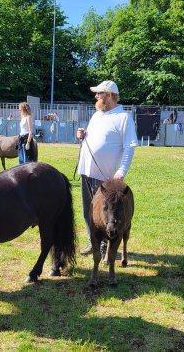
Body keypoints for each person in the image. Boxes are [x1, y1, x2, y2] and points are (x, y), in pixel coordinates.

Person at [76, 80, 138, 256]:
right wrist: (82, 135)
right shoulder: (97, 115)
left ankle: (105, 247)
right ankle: (93, 242)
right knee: (88, 211)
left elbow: (129, 146)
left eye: (99, 93)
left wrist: (121, 171)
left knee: (106, 213)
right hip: (86, 172)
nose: (96, 96)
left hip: (105, 178)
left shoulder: (123, 118)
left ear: (109, 95)